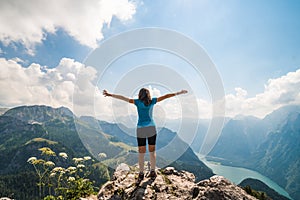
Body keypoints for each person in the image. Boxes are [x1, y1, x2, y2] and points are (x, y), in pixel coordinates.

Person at [103, 88, 188, 181]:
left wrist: (110, 94)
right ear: (148, 95)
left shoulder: (137, 102)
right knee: (152, 151)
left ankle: (141, 173)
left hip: (141, 129)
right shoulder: (152, 101)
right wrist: (178, 93)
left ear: (140, 94)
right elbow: (166, 96)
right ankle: (152, 171)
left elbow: (123, 98)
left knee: (141, 151)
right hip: (151, 128)